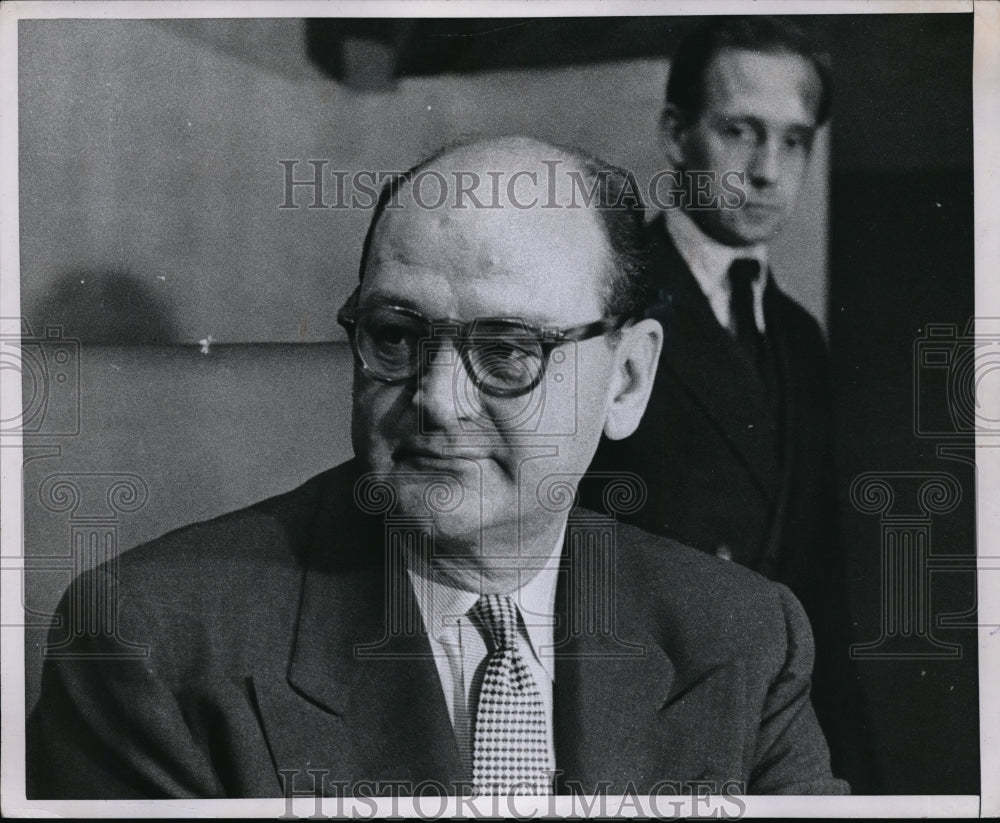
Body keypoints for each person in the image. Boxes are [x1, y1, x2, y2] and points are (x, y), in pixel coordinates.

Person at [27, 136, 847, 799]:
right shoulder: (148, 641)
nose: (439, 400)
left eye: (506, 349)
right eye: (394, 334)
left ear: (628, 378)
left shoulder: (744, 636)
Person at [585, 17, 874, 790]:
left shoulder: (798, 337)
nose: (768, 170)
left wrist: (853, 777)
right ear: (677, 136)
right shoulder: (603, 302)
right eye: (740, 132)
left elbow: (821, 584)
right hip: (634, 737)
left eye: (795, 140)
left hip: (773, 746)